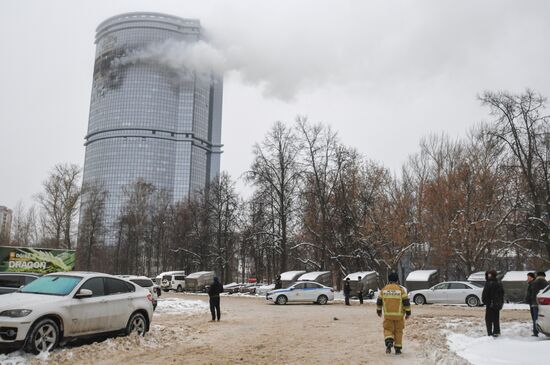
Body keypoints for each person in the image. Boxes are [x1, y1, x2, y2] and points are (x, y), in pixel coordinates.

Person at [376, 272, 411, 355]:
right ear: (397, 280)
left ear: (389, 280)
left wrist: (379, 311)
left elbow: (379, 301)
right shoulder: (400, 290)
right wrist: (408, 313)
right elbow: (406, 302)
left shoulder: (384, 289)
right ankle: (398, 349)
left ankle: (389, 341)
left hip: (388, 315)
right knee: (398, 331)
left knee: (388, 329)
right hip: (399, 316)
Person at [482, 269, 504, 337]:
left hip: (490, 304)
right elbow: (502, 294)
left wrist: (485, 301)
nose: (488, 276)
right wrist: (500, 302)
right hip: (497, 304)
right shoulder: (498, 282)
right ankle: (496, 332)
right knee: (496, 319)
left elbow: (485, 294)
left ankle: (490, 333)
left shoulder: (489, 283)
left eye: (489, 275)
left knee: (488, 319)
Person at [527, 271, 549, 336]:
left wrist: (533, 302)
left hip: (535, 303)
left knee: (535, 318)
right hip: (544, 303)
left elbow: (533, 293)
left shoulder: (535, 282)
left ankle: (535, 332)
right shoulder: (546, 283)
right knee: (543, 318)